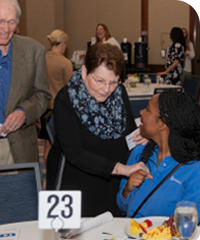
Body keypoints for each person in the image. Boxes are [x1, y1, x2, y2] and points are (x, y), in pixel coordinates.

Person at [46, 43, 148, 217]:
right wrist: (120, 169)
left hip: (111, 184)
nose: (106, 89)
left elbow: (128, 133)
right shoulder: (66, 99)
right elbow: (75, 153)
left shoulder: (120, 93)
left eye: (113, 82)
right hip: (74, 184)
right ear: (85, 72)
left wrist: (141, 135)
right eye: (99, 80)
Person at [117, 90, 200, 223]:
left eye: (148, 110)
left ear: (162, 124)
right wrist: (128, 188)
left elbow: (186, 224)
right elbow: (122, 206)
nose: (141, 112)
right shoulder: (140, 153)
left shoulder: (194, 169)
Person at [0, 0, 52, 165]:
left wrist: (24, 112)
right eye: (1, 21)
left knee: (18, 191)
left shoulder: (33, 51)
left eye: (11, 22)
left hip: (18, 147)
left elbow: (42, 94)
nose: (6, 29)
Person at [39, 29, 73, 165]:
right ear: (63, 44)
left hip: (43, 109)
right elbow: (70, 90)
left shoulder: (41, 59)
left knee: (47, 145)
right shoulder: (65, 63)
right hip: (59, 111)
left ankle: (48, 174)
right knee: (62, 147)